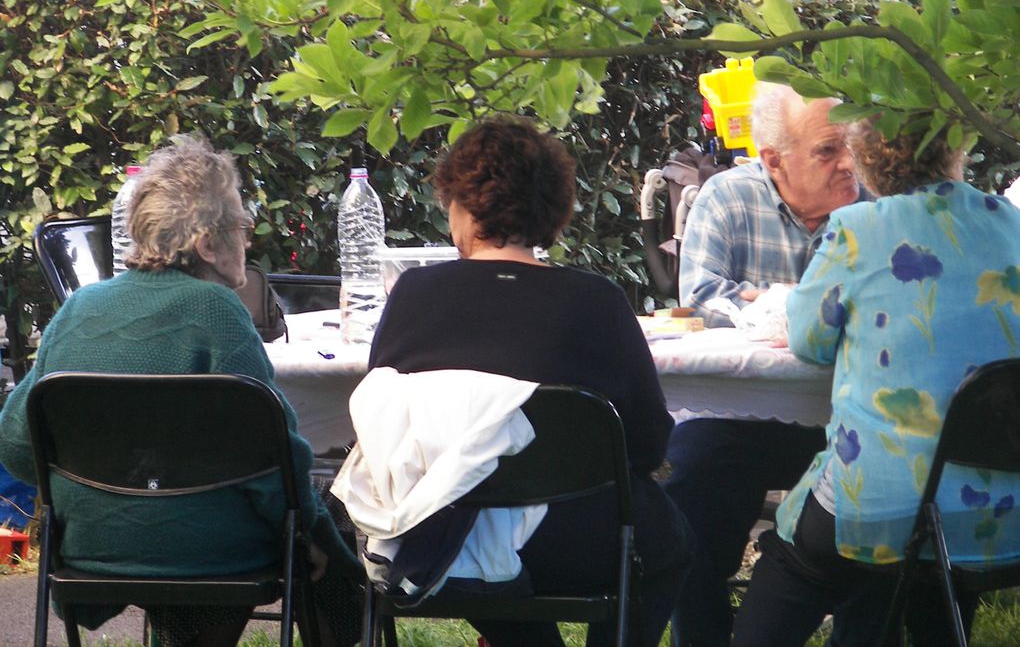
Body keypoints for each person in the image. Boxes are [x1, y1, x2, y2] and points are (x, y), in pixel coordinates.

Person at [0, 137, 357, 647]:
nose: (247, 241)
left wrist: (106, 494)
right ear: (207, 244)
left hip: (89, 548)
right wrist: (313, 531)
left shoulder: (78, 309)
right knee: (330, 518)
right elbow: (273, 461)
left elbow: (15, 445)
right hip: (211, 553)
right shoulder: (218, 312)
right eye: (240, 227)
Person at [357, 116, 693, 647]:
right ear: (553, 210)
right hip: (575, 542)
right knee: (668, 540)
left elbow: (386, 427)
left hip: (441, 542)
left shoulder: (413, 295)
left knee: (486, 535)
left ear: (462, 206)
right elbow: (648, 443)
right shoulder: (595, 300)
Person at [730, 122, 1020, 646]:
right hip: (1002, 512)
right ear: (957, 146)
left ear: (866, 158)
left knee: (793, 567)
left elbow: (809, 339)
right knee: (934, 562)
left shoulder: (858, 229)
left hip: (888, 505)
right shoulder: (1012, 225)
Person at [666, 83, 869, 646]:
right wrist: (801, 305)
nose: (848, 162)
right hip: (741, 417)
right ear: (774, 159)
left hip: (847, 419)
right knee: (691, 495)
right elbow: (704, 294)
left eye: (851, 144)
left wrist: (771, 302)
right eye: (828, 151)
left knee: (881, 506)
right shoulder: (727, 197)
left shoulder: (875, 210)